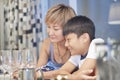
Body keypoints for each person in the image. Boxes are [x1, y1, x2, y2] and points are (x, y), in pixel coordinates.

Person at [37, 3, 76, 78]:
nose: (50, 32)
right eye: (48, 27)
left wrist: (46, 75)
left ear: (68, 28)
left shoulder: (75, 45)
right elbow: (37, 72)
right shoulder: (47, 43)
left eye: (56, 29)